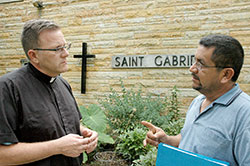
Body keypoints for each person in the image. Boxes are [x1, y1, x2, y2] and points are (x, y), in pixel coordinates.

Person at [0, 19, 98, 166]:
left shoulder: (63, 84)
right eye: (57, 49)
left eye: (65, 46)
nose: (66, 54)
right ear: (33, 55)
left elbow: (61, 125)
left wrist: (85, 133)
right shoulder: (8, 88)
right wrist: (57, 147)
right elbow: (2, 155)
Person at [142, 34, 250, 166]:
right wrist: (166, 140)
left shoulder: (245, 114)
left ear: (226, 74)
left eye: (201, 64)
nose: (192, 68)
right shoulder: (198, 101)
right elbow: (188, 139)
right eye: (194, 61)